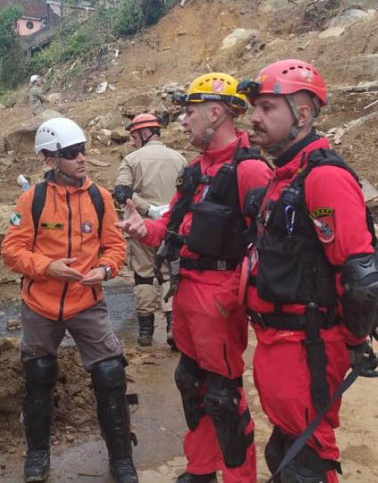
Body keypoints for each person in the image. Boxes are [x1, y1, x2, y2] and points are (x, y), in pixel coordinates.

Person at [118, 73, 272, 483]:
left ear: (216, 112)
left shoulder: (250, 171)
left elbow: (268, 246)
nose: (182, 122)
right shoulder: (194, 169)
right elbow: (170, 225)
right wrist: (141, 229)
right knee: (192, 383)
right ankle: (201, 469)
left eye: (189, 113)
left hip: (219, 302)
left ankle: (240, 478)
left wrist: (232, 294)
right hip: (187, 295)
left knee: (225, 397)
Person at [238, 59, 378, 483]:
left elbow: (360, 275)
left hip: (306, 344)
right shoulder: (284, 177)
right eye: (255, 108)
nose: (254, 118)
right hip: (277, 340)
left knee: (308, 459)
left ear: (302, 115)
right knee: (287, 446)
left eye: (267, 108)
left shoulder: (323, 178)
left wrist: (355, 341)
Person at [1, 117, 138, 483]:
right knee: (39, 373)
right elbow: (11, 251)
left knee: (110, 373)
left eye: (83, 151)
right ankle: (37, 454)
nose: (82, 159)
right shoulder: (34, 198)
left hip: (86, 300)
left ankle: (122, 459)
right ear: (50, 160)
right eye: (72, 153)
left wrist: (106, 271)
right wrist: (48, 267)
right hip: (40, 304)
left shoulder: (100, 197)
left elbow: (115, 245)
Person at [114, 113, 187, 348]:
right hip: (172, 228)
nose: (133, 141)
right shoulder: (180, 159)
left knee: (143, 276)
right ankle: (173, 328)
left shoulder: (131, 160)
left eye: (134, 136)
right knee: (169, 274)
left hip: (141, 227)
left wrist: (149, 209)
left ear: (145, 134)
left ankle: (145, 332)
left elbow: (121, 192)